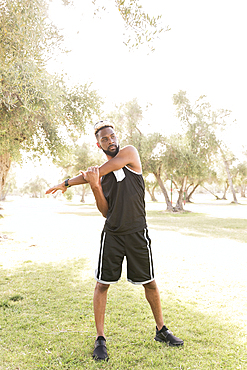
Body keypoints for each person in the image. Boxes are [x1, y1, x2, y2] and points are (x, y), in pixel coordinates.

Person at [46, 120, 184, 361]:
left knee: (150, 283)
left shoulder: (129, 153)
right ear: (98, 144)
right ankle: (100, 339)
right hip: (112, 234)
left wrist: (70, 181)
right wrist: (95, 187)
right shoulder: (102, 176)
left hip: (136, 233)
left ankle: (161, 330)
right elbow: (104, 211)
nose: (110, 141)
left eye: (112, 136)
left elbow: (98, 171)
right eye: (104, 139)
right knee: (102, 285)